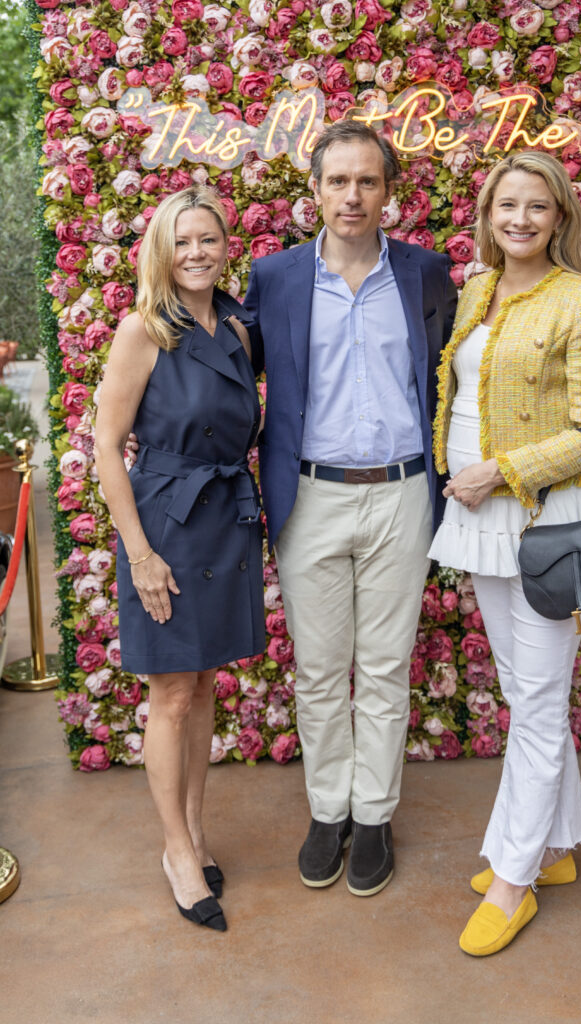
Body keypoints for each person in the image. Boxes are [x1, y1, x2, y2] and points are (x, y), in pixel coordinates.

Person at [244, 120, 458, 896]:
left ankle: (373, 815)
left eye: (367, 181)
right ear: (314, 190)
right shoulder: (273, 279)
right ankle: (327, 809)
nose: (352, 195)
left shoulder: (428, 274)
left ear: (388, 192)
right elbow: (236, 381)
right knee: (320, 670)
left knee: (384, 667)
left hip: (403, 494)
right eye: (338, 180)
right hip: (310, 498)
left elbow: (450, 378)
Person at [429, 151, 581, 955]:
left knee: (538, 703)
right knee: (525, 693)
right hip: (478, 515)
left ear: (559, 218)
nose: (519, 218)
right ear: (487, 213)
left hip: (540, 519)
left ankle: (513, 880)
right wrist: (463, 473)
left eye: (535, 207)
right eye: (506, 204)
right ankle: (555, 844)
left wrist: (498, 473)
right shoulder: (475, 289)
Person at [95, 186, 264, 932]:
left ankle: (196, 830)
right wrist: (138, 555)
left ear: (228, 246)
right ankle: (176, 851)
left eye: (209, 240)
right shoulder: (142, 330)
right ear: (161, 252)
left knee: (201, 683)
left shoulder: (236, 324)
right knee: (169, 693)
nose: (197, 253)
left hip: (224, 517)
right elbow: (106, 446)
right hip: (165, 523)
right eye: (182, 242)